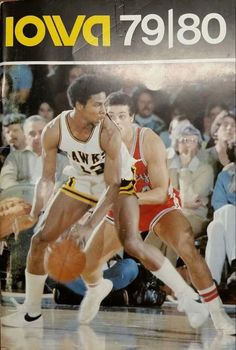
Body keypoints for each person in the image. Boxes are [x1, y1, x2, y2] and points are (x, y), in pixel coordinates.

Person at [76, 92, 235, 335]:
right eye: (111, 116)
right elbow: (106, 188)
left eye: (122, 116)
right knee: (87, 264)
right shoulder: (100, 143)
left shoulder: (148, 140)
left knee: (186, 246)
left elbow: (161, 192)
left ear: (132, 117)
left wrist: (129, 198)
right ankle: (99, 288)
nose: (116, 121)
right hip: (125, 204)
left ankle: (217, 313)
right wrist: (90, 217)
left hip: (155, 202)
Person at [0, 74, 135, 328]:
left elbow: (114, 185)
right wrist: (36, 213)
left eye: (104, 103)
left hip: (122, 185)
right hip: (84, 180)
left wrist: (89, 224)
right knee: (40, 240)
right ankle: (31, 312)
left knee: (100, 252)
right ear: (79, 106)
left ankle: (99, 286)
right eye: (97, 104)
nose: (103, 110)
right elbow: (48, 179)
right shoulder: (55, 129)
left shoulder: (109, 132)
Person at [168, 125, 214, 237]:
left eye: (192, 141)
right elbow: (163, 198)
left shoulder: (206, 169)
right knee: (158, 228)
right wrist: (184, 203)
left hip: (195, 216)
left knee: (175, 227)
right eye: (183, 140)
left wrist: (184, 169)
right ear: (177, 145)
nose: (187, 144)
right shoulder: (169, 167)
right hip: (170, 214)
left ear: (198, 147)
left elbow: (190, 198)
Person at [0, 115, 68, 189]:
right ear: (25, 136)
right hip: (21, 198)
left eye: (41, 132)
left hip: (52, 199)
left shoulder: (62, 160)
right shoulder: (14, 157)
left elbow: (67, 185)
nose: (37, 137)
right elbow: (6, 181)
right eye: (32, 133)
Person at [205, 143, 236, 286]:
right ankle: (212, 281)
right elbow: (218, 204)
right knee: (216, 224)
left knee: (216, 226)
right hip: (227, 220)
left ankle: (209, 285)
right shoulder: (225, 176)